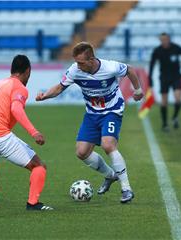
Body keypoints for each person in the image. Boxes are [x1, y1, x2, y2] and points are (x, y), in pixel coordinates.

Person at [36, 42, 143, 203]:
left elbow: (130, 69)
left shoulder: (110, 67)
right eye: (76, 62)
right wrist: (45, 96)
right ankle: (110, 176)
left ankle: (126, 188)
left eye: (81, 63)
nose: (77, 66)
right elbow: (59, 87)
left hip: (112, 111)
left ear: (91, 59)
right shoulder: (75, 70)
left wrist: (138, 90)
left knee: (108, 145)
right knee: (82, 152)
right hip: (92, 113)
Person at [0, 55, 53, 211]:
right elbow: (16, 109)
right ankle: (33, 203)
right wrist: (34, 132)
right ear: (28, 71)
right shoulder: (19, 87)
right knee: (39, 166)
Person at [149, 32, 181, 132]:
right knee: (164, 101)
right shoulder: (157, 50)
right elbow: (152, 64)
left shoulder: (176, 48)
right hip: (164, 77)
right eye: (162, 40)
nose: (164, 41)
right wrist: (150, 78)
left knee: (178, 99)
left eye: (165, 39)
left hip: (176, 76)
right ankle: (164, 124)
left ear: (169, 39)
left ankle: (175, 117)